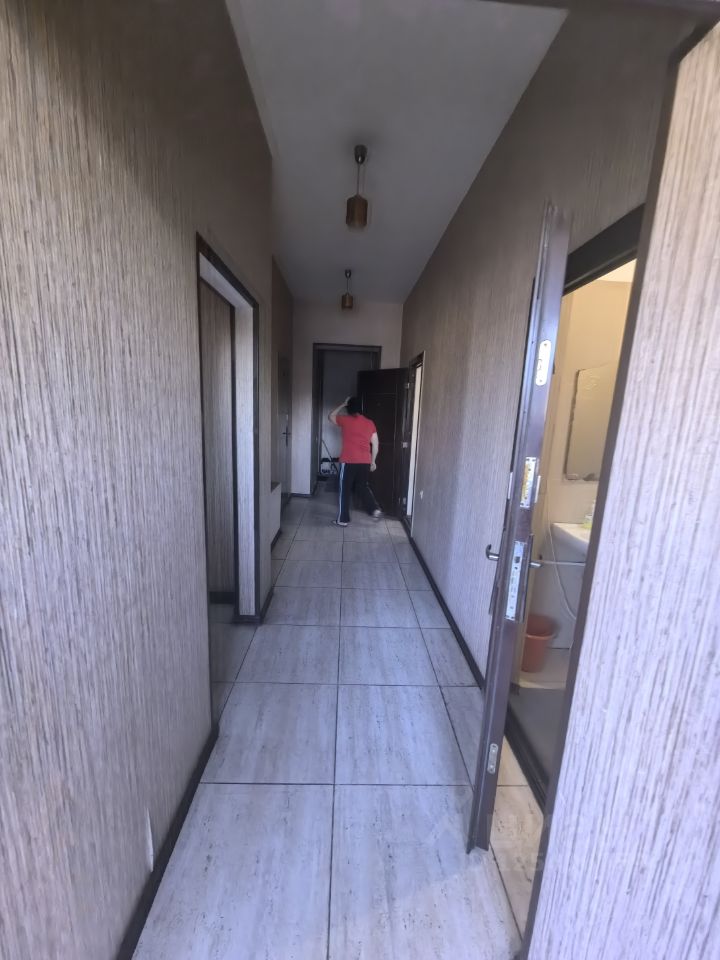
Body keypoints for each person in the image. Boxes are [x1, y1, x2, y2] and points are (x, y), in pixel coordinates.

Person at [328, 396, 382, 526]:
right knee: (362, 487)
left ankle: (342, 520)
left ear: (349, 408)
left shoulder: (345, 420)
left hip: (348, 461)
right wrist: (373, 461)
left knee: (344, 490)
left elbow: (330, 416)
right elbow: (375, 444)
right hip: (365, 461)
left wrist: (343, 404)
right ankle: (374, 509)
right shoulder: (370, 423)